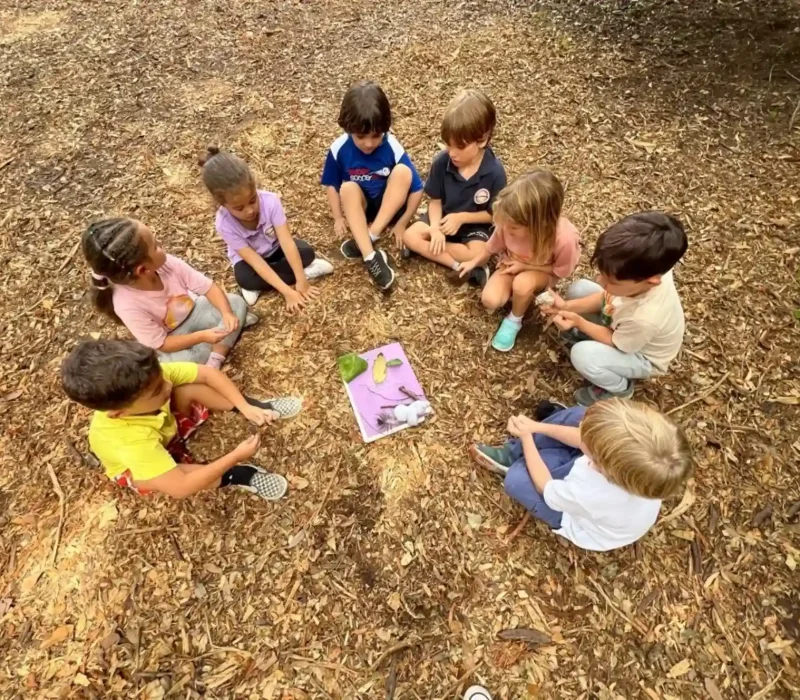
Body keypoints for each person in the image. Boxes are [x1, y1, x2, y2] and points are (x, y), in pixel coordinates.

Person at [61, 339, 303, 500]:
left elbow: (207, 374)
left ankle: (256, 408)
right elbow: (181, 487)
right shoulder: (129, 442)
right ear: (119, 413)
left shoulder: (146, 379)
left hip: (162, 426)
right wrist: (234, 457)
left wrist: (243, 406)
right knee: (169, 476)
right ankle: (238, 474)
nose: (166, 385)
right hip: (140, 461)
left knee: (186, 388)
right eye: (157, 390)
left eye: (161, 377)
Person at [470, 398, 693, 552]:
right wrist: (538, 427)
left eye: (588, 440)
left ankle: (514, 460)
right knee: (580, 415)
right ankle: (523, 449)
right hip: (595, 471)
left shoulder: (591, 492)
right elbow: (583, 436)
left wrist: (528, 438)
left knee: (518, 480)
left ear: (602, 463)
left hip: (575, 515)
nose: (583, 430)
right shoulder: (634, 467)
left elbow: (546, 488)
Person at [540, 211, 687, 406]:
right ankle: (592, 339)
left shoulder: (645, 317)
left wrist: (580, 322)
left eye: (610, 280)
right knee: (580, 289)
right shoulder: (650, 270)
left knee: (582, 354)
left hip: (640, 355)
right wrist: (567, 307)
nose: (600, 281)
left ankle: (618, 389)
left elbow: (617, 342)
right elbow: (608, 296)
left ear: (651, 282)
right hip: (625, 328)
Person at [83, 217, 255, 369]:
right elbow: (162, 343)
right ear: (143, 270)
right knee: (180, 362)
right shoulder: (126, 305)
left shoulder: (168, 264)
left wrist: (226, 313)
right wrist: (202, 336)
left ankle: (217, 354)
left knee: (235, 302)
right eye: (156, 246)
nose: (162, 246)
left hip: (195, 310)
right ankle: (219, 349)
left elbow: (209, 288)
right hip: (172, 336)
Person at [459, 170, 580, 352]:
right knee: (490, 300)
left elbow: (560, 271)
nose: (506, 228)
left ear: (539, 223)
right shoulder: (509, 222)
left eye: (514, 227)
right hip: (511, 264)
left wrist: (525, 266)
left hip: (544, 272)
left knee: (522, 283)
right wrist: (473, 262)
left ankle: (514, 320)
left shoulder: (564, 239)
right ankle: (521, 296)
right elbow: (490, 247)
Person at [321, 80, 424, 291]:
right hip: (363, 210)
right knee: (348, 187)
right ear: (348, 129)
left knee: (403, 171)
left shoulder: (392, 146)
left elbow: (416, 188)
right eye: (361, 137)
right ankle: (371, 257)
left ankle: (369, 237)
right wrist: (338, 217)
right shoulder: (339, 148)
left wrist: (403, 223)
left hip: (390, 209)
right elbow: (332, 184)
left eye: (376, 136)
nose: (369, 143)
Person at [201, 147, 333, 309]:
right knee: (245, 278)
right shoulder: (224, 224)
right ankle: (267, 281)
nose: (250, 211)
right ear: (222, 204)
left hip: (275, 249)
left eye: (252, 200)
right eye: (239, 208)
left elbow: (287, 242)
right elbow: (256, 262)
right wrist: (287, 292)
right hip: (249, 262)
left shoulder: (270, 202)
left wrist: (301, 280)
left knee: (306, 252)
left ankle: (272, 281)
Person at [401, 89, 506, 288]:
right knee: (409, 235)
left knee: (479, 252)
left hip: (474, 227)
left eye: (460, 147)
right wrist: (434, 229)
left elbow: (496, 215)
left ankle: (429, 250)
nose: (452, 153)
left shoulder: (494, 171)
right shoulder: (442, 162)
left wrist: (463, 218)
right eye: (448, 145)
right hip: (442, 218)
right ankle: (460, 266)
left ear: (482, 139)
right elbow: (435, 201)